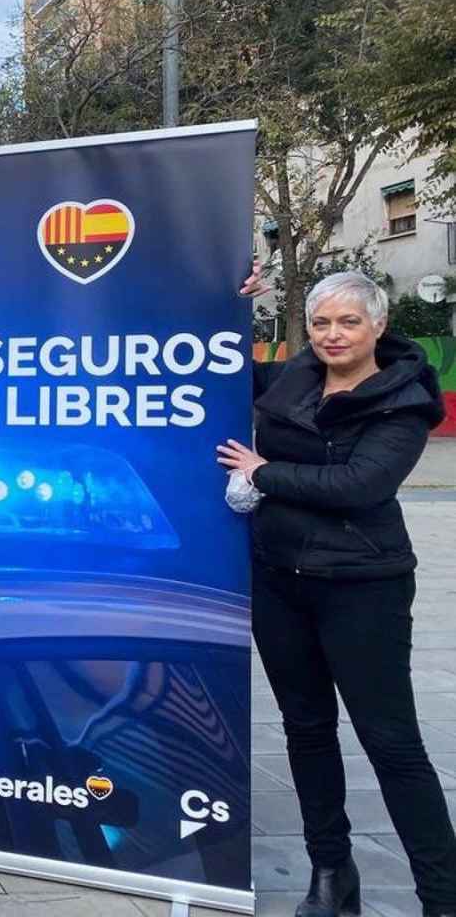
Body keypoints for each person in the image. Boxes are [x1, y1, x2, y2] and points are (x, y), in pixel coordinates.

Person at [222, 269, 454, 917]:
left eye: (348, 321)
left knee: (393, 743)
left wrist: (265, 472)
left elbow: (360, 485)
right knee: (306, 730)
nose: (332, 334)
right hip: (279, 581)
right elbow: (227, 377)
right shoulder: (296, 377)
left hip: (362, 588)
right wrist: (230, 307)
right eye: (322, 321)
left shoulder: (404, 400)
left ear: (378, 326)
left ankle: (441, 894)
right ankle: (332, 873)